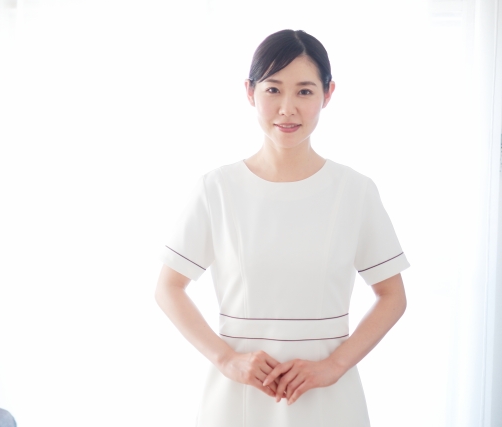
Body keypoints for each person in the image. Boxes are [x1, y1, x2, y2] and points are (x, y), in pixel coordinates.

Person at [154, 29, 409, 427]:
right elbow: (168, 288)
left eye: (304, 91)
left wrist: (334, 366)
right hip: (237, 400)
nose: (287, 108)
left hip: (329, 401)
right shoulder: (216, 189)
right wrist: (228, 360)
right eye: (273, 90)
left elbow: (392, 295)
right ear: (249, 92)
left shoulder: (354, 191)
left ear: (328, 94)